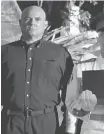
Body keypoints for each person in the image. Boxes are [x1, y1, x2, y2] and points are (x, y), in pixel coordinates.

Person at [1, 6, 74, 134]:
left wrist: (68, 127)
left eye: (37, 19)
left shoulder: (60, 54)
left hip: (46, 123)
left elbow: (70, 93)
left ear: (45, 24)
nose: (32, 23)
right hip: (11, 123)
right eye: (27, 19)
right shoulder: (4, 53)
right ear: (20, 23)